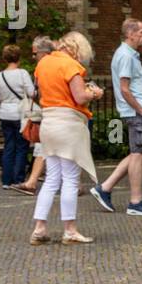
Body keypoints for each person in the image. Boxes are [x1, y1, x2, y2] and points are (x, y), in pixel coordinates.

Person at [30, 31, 102, 245]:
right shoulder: (71, 66)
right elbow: (80, 97)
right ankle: (70, 230)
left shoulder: (43, 64)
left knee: (52, 178)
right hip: (68, 124)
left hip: (49, 122)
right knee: (70, 178)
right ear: (77, 50)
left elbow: (42, 93)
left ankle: (39, 228)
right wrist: (95, 93)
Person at [91, 18, 142, 216]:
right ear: (131, 34)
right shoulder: (126, 56)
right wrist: (140, 109)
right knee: (138, 154)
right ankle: (135, 202)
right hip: (136, 111)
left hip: (135, 111)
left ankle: (104, 188)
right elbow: (124, 89)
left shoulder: (126, 54)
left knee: (137, 152)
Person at [11, 37, 55, 194]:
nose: (33, 57)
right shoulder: (44, 68)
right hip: (52, 113)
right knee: (45, 148)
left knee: (45, 148)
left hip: (54, 114)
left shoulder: (45, 68)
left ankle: (32, 182)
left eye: (35, 53)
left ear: (43, 53)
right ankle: (34, 181)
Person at [0, 43, 34, 188]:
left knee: (9, 146)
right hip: (20, 114)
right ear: (19, 58)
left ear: (5, 58)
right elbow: (31, 93)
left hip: (5, 114)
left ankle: (6, 180)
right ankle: (18, 179)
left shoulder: (0, 76)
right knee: (22, 147)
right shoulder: (22, 73)